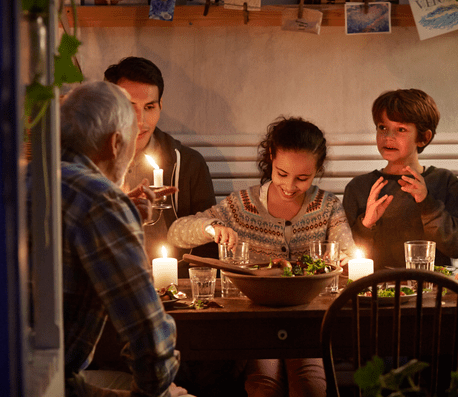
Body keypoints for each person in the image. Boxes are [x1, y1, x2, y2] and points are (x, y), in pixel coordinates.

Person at [168, 116, 354, 397]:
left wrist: (342, 259)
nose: (290, 186)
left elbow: (349, 254)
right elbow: (176, 233)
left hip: (309, 322)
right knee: (263, 385)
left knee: (310, 384)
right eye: (282, 173)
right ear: (271, 158)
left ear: (317, 170)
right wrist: (211, 227)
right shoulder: (243, 205)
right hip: (258, 322)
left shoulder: (327, 206)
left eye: (303, 178)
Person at [44, 81, 186, 396]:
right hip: (49, 385)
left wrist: (125, 213)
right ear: (115, 142)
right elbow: (149, 340)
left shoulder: (29, 177)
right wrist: (155, 389)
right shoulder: (100, 201)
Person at [104, 56, 218, 266]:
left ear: (160, 105)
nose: (141, 120)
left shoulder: (189, 164)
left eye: (149, 107)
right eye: (130, 107)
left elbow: (208, 248)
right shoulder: (91, 163)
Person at [342, 89, 458, 270]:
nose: (388, 137)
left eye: (401, 129)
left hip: (431, 290)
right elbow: (345, 256)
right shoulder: (358, 187)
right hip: (377, 291)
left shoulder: (445, 182)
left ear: (423, 138)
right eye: (382, 127)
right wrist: (366, 224)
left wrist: (428, 204)